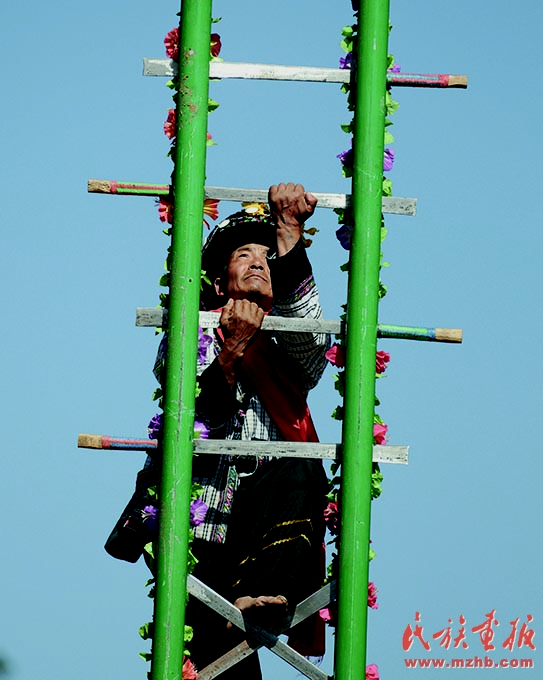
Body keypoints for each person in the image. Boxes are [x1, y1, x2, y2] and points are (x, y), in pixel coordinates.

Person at [107, 182, 331, 679]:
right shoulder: (196, 327)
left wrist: (289, 231)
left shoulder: (285, 335)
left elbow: (313, 351)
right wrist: (232, 350)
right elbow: (192, 409)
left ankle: (265, 592)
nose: (258, 262)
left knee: (301, 467)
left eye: (267, 256)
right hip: (208, 513)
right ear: (218, 279)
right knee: (212, 663)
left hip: (271, 513)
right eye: (243, 254)